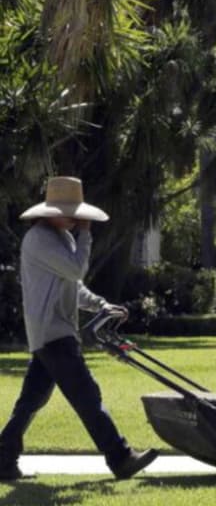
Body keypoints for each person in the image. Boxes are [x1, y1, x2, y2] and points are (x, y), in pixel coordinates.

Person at [0, 176, 157, 481]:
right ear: (51, 211)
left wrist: (101, 305)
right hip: (54, 332)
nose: (77, 218)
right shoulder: (40, 239)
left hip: (52, 332)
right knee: (87, 396)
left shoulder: (63, 239)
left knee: (30, 401)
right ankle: (120, 457)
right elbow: (76, 269)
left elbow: (74, 284)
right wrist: (86, 235)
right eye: (71, 212)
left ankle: (3, 459)